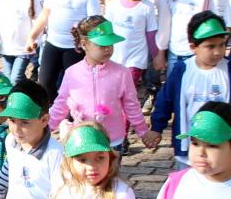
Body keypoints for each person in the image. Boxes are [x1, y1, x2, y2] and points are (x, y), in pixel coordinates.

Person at [152, 12, 231, 165]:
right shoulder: (181, 70)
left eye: (222, 45)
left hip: (223, 150)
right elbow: (165, 101)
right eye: (210, 46)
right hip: (190, 150)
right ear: (193, 47)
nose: (218, 52)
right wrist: (156, 128)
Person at [49, 16, 155, 151]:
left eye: (110, 44)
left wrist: (143, 132)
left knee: (112, 172)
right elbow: (61, 104)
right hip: (82, 138)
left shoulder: (122, 73)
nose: (108, 49)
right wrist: (45, 129)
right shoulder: (72, 73)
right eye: (102, 45)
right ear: (84, 44)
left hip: (113, 140)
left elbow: (131, 105)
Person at [27, 0, 102, 93]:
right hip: (52, 44)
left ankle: (74, 113)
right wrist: (32, 36)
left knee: (75, 87)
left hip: (75, 49)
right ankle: (53, 111)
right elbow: (44, 15)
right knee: (45, 83)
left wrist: (91, 51)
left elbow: (94, 27)